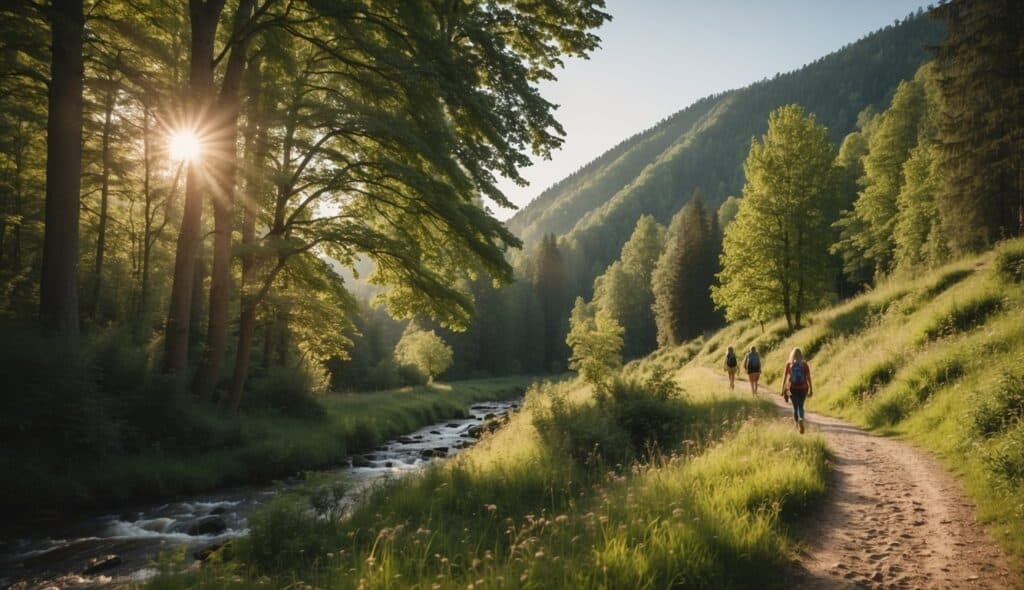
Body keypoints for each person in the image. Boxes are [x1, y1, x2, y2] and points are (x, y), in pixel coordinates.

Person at [782, 347, 813, 434]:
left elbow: (785, 378)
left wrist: (783, 390)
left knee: (795, 407)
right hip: (803, 388)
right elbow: (808, 378)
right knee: (801, 406)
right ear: (801, 354)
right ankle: (801, 419)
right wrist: (811, 389)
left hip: (792, 388)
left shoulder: (789, 364)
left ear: (792, 354)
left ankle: (796, 425)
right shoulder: (804, 364)